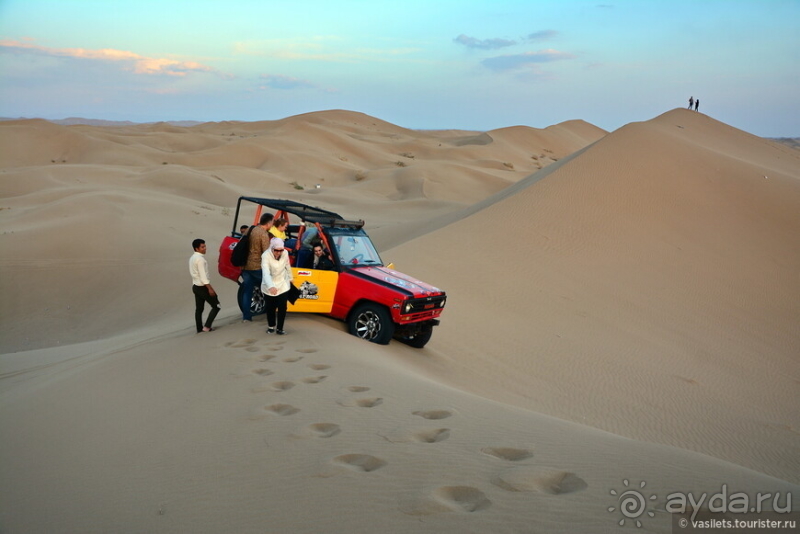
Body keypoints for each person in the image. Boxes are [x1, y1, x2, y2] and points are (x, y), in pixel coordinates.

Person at [241, 212, 273, 322]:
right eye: (272, 222)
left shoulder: (250, 229)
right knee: (271, 287)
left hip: (245, 266)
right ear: (268, 223)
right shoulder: (263, 234)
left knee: (247, 292)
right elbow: (266, 252)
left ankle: (246, 317)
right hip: (257, 266)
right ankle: (272, 314)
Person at [261, 238, 293, 335]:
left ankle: (280, 328)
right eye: (276, 250)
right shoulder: (265, 256)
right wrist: (271, 286)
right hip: (269, 284)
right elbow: (266, 273)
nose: (279, 252)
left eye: (281, 250)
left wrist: (291, 277)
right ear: (272, 248)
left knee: (282, 307)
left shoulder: (285, 253)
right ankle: (271, 326)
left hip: (283, 283)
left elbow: (287, 265)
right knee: (270, 307)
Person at [190, 239, 220, 333]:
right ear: (196, 248)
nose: (205, 248)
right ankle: (207, 327)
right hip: (202, 287)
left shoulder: (192, 258)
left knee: (199, 309)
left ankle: (199, 328)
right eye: (202, 247)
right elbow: (203, 276)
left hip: (195, 286)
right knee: (216, 306)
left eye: (205, 246)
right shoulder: (200, 260)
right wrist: (210, 289)